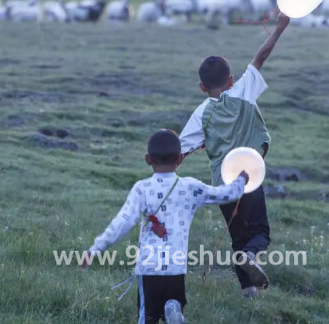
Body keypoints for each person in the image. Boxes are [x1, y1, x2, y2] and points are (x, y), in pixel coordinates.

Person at [84, 129, 249, 324]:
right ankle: (174, 313)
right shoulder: (190, 187)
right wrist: (241, 181)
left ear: (147, 159)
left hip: (149, 270)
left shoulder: (142, 189)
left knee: (148, 318)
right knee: (174, 307)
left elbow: (122, 222)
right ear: (179, 159)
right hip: (175, 269)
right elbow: (225, 194)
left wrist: (96, 248)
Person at [179, 14, 290, 298]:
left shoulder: (200, 113)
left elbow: (178, 152)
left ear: (202, 88)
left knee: (237, 236)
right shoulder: (242, 92)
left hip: (221, 185)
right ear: (230, 80)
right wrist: (279, 28)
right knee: (259, 232)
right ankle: (251, 256)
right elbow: (260, 57)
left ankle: (248, 293)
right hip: (248, 178)